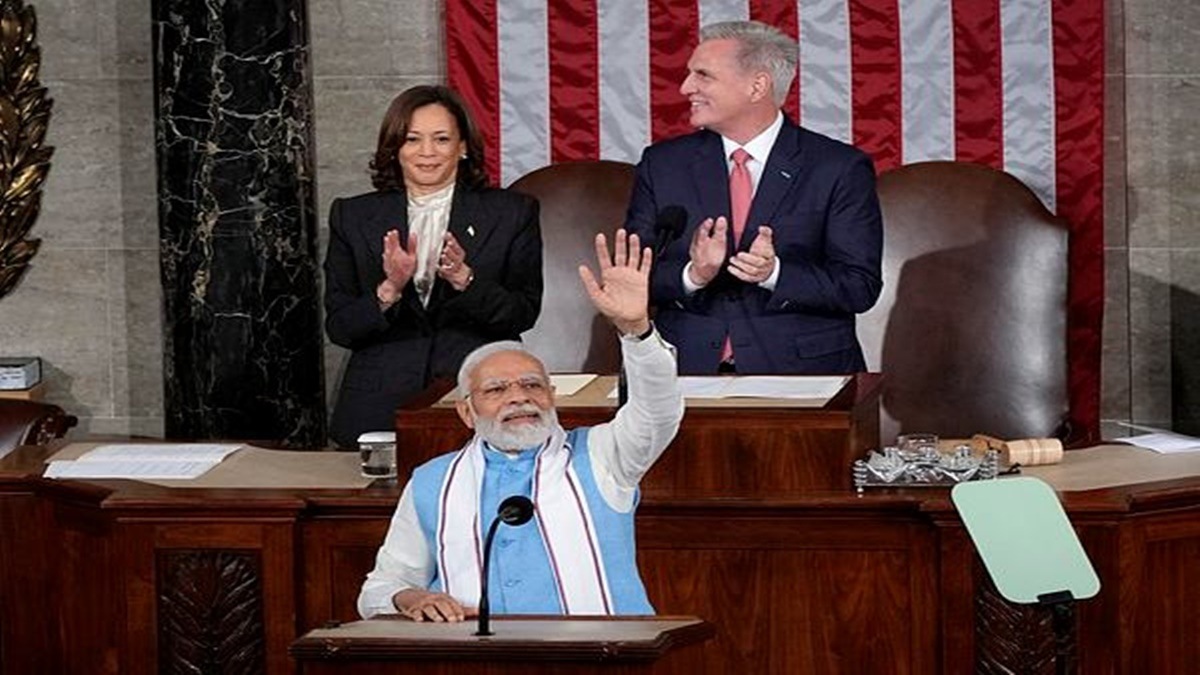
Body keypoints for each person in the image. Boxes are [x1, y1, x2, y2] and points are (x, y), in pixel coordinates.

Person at [357, 229, 683, 621]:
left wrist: (636, 331)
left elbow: (657, 413)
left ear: (552, 396)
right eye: (496, 389)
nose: (518, 396)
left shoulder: (602, 455)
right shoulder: (433, 481)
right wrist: (411, 599)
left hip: (601, 657)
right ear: (466, 412)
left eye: (532, 385)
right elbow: (380, 588)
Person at [625, 20, 883, 375]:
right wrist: (693, 275)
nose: (686, 88)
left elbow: (859, 286)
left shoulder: (837, 167)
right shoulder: (663, 164)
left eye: (703, 75)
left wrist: (773, 272)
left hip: (802, 377)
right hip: (684, 374)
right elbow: (631, 277)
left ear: (757, 85)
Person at [324, 85, 543, 448]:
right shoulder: (352, 215)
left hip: (476, 400)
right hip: (378, 407)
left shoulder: (512, 212)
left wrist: (465, 280)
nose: (427, 152)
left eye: (441, 139)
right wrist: (389, 290)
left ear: (462, 148)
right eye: (412, 139)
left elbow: (522, 314)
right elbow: (341, 328)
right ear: (395, 149)